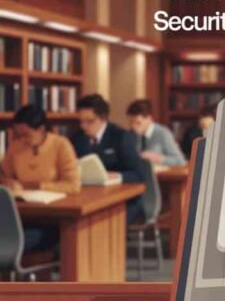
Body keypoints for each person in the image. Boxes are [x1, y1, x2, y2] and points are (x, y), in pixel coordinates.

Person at [0, 105, 80, 253]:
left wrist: (36, 185)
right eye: (19, 134)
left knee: (15, 240)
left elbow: (73, 185)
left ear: (42, 130)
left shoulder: (61, 145)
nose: (22, 139)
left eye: (27, 135)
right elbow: (5, 175)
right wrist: (8, 183)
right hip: (21, 214)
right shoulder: (15, 147)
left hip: (52, 217)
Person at [70, 94, 145, 223]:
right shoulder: (77, 137)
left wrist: (116, 176)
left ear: (103, 118)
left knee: (100, 221)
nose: (83, 126)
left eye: (89, 121)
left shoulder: (121, 136)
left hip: (122, 200)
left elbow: (139, 174)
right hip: (89, 197)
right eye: (81, 121)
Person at [126, 99, 186, 167]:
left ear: (149, 118)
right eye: (131, 122)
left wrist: (159, 159)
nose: (133, 127)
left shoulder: (163, 133)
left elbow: (180, 161)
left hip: (159, 176)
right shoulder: (130, 134)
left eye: (138, 123)